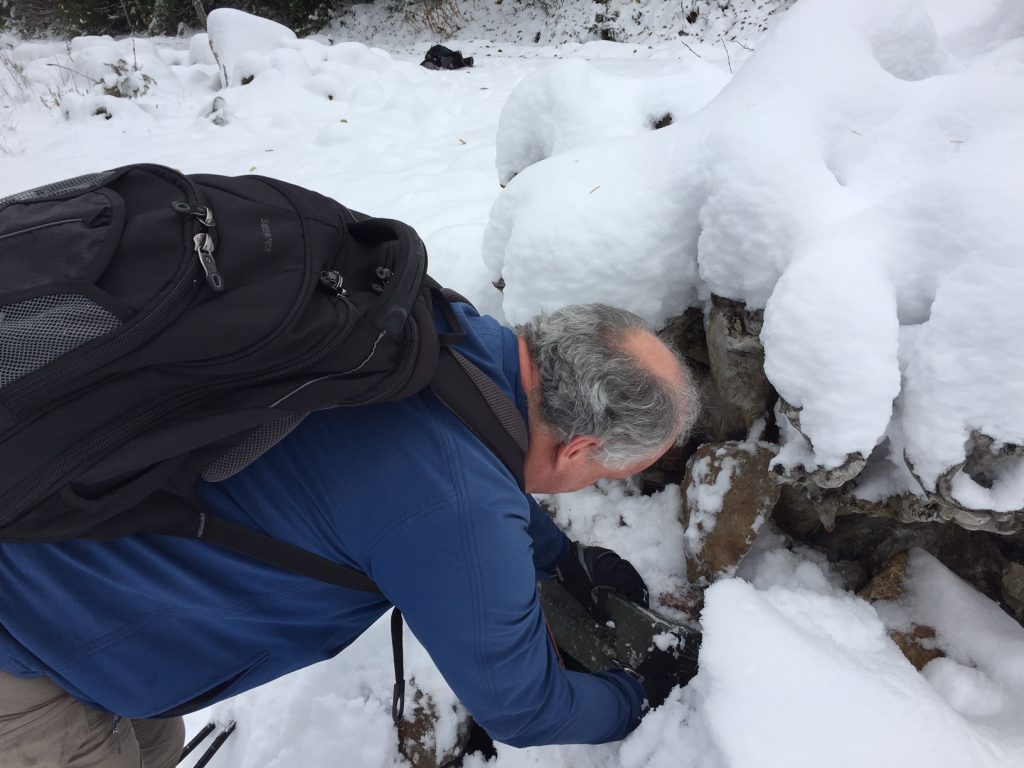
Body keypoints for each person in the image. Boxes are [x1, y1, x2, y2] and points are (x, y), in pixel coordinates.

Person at [0, 300, 699, 767]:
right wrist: (637, 695)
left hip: (66, 561)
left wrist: (561, 559)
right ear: (577, 449)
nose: (590, 484)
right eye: (604, 474)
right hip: (26, 647)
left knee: (149, 745)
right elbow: (525, 707)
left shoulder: (437, 327)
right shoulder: (455, 504)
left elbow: (450, 467)